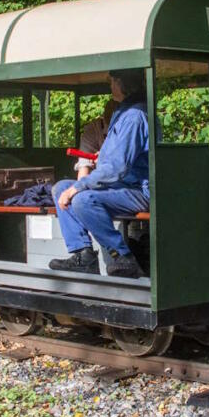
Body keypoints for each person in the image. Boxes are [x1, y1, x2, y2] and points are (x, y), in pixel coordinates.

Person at [49, 70, 149, 278]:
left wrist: (79, 186)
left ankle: (122, 256)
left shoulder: (134, 117)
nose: (110, 86)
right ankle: (83, 255)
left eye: (112, 81)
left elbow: (116, 167)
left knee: (83, 200)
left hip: (137, 189)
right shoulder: (123, 112)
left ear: (122, 83)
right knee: (60, 187)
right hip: (120, 185)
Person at [75, 99, 119, 180]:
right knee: (62, 185)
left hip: (124, 182)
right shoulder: (93, 129)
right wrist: (78, 188)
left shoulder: (133, 128)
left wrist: (107, 159)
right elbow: (84, 164)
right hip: (97, 180)